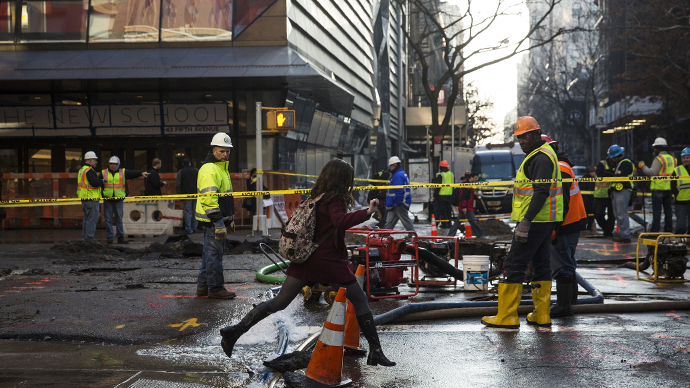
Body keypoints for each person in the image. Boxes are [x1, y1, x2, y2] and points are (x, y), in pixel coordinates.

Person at [218, 159, 395, 367]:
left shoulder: (317, 196)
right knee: (360, 301)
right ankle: (375, 351)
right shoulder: (335, 199)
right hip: (328, 262)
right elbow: (339, 220)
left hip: (306, 258)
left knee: (280, 301)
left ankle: (234, 331)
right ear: (342, 179)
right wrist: (367, 212)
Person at [482, 116, 562, 329]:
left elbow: (541, 192)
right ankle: (541, 315)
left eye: (525, 136)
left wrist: (526, 221)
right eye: (519, 138)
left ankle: (507, 317)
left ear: (536, 134)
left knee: (514, 264)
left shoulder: (540, 158)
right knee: (541, 264)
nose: (521, 141)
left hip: (535, 221)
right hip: (543, 221)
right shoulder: (542, 155)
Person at [543, 135, 585, 318]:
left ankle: (564, 305)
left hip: (566, 223)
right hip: (571, 221)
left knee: (562, 265)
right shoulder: (562, 165)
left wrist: (555, 227)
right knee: (568, 262)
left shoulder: (560, 168)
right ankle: (569, 302)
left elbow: (562, 201)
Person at [195, 133, 236, 299]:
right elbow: (209, 199)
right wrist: (219, 223)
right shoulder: (210, 169)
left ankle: (203, 287)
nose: (225, 154)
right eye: (221, 151)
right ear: (213, 150)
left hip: (218, 220)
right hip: (213, 221)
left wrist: (229, 219)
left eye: (227, 151)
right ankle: (215, 288)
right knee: (214, 256)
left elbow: (224, 198)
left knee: (209, 255)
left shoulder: (220, 168)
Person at [101, 156, 148, 244]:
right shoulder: (104, 172)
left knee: (118, 218)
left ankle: (120, 237)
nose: (112, 166)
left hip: (118, 199)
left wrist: (141, 173)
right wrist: (102, 194)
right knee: (108, 219)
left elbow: (132, 173)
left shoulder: (123, 172)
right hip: (108, 199)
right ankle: (110, 238)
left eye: (114, 164)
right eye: (111, 164)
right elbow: (99, 183)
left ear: (118, 165)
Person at [640, 137, 676, 233]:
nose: (654, 150)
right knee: (668, 212)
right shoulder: (672, 159)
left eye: (655, 148)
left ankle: (654, 232)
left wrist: (643, 167)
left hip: (658, 189)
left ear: (658, 148)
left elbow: (652, 173)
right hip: (669, 189)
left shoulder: (659, 159)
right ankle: (668, 231)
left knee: (657, 212)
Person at [602, 145, 635, 243]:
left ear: (616, 156)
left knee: (621, 213)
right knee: (618, 214)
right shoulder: (621, 163)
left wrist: (612, 175)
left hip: (623, 190)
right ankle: (622, 233)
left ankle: (625, 235)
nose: (612, 159)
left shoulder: (625, 163)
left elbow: (620, 177)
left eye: (613, 157)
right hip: (618, 190)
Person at [447, 172, 485, 238]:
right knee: (473, 222)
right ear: (471, 177)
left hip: (467, 207)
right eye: (475, 178)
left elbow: (469, 196)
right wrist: (464, 207)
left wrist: (475, 196)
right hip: (466, 207)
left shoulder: (470, 184)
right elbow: (462, 196)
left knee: (458, 222)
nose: (477, 179)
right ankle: (480, 235)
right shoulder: (465, 184)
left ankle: (450, 235)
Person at [383, 156, 415, 231]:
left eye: (391, 166)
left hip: (398, 203)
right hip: (395, 203)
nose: (390, 168)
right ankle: (384, 237)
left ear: (394, 166)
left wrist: (397, 202)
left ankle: (413, 236)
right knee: (389, 222)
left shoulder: (397, 176)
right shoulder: (400, 174)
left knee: (405, 221)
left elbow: (399, 191)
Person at [77, 151, 103, 241]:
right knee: (92, 219)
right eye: (95, 160)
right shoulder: (89, 171)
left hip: (85, 198)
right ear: (90, 160)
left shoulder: (82, 170)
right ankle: (89, 238)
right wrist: (102, 181)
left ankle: (85, 238)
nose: (96, 162)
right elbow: (95, 183)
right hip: (91, 198)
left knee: (86, 219)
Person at [176, 156, 199, 234]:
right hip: (196, 193)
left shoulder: (181, 172)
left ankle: (189, 229)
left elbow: (178, 184)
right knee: (196, 211)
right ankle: (194, 227)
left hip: (186, 194)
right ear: (190, 163)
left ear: (183, 164)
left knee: (188, 211)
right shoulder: (196, 171)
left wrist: (180, 194)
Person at [594, 157, 615, 238]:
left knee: (612, 216)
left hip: (612, 194)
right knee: (598, 214)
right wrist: (610, 173)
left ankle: (608, 233)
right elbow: (600, 173)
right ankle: (606, 229)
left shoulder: (618, 164)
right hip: (600, 194)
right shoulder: (602, 163)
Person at [671, 147, 690, 234]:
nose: (686, 159)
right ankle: (679, 242)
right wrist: (677, 195)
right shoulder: (677, 170)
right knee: (680, 225)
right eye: (684, 157)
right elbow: (673, 186)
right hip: (681, 201)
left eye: (688, 157)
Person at [432, 160, 454, 228]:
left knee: (443, 210)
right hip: (450, 195)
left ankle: (445, 224)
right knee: (448, 209)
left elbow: (438, 187)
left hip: (441, 195)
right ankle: (449, 223)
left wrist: (434, 195)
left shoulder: (440, 175)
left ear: (440, 167)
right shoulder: (451, 174)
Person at [579, 166, 596, 231]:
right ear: (590, 172)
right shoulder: (591, 180)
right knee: (591, 215)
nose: (595, 174)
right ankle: (588, 228)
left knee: (584, 215)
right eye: (594, 172)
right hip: (590, 200)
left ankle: (582, 228)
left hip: (583, 200)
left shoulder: (582, 179)